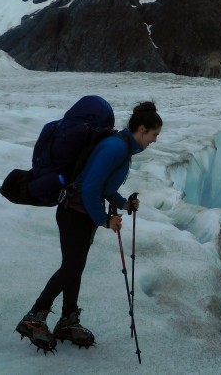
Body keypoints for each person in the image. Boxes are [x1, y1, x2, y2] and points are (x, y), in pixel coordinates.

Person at [16, 101, 162, 353]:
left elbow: (104, 188)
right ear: (141, 129)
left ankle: (67, 321)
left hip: (80, 214)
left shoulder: (122, 147)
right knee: (71, 266)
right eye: (154, 134)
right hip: (74, 213)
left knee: (75, 267)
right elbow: (90, 188)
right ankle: (34, 318)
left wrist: (124, 203)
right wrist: (104, 219)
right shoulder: (116, 147)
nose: (155, 140)